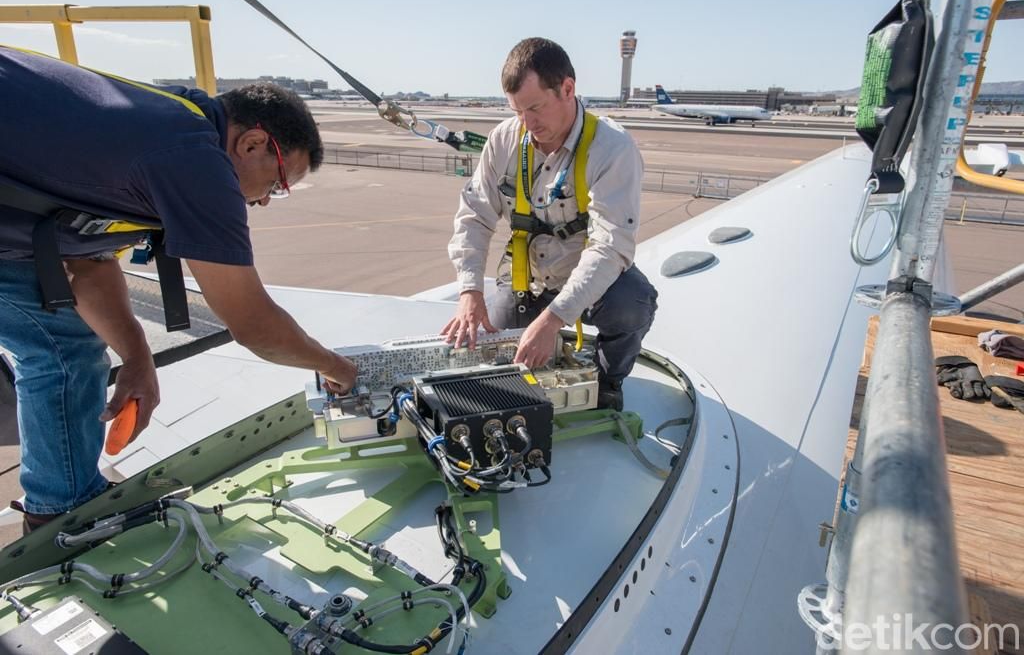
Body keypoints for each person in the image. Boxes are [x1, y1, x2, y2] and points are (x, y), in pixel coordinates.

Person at [0, 46, 356, 533]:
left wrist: (138, 357)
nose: (266, 202)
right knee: (58, 351)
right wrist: (336, 367)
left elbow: (87, 258)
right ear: (252, 144)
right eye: (275, 185)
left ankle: (59, 503)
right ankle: (58, 517)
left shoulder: (172, 124)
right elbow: (253, 324)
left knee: (69, 346)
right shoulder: (192, 159)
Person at [442, 38, 658, 410]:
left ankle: (608, 382)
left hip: (589, 282)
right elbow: (475, 214)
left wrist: (554, 319)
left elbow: (610, 247)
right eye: (517, 111)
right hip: (529, 278)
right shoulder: (506, 139)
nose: (526, 123)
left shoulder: (611, 149)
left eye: (535, 108)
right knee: (499, 350)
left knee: (633, 304)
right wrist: (470, 291)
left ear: (568, 89)